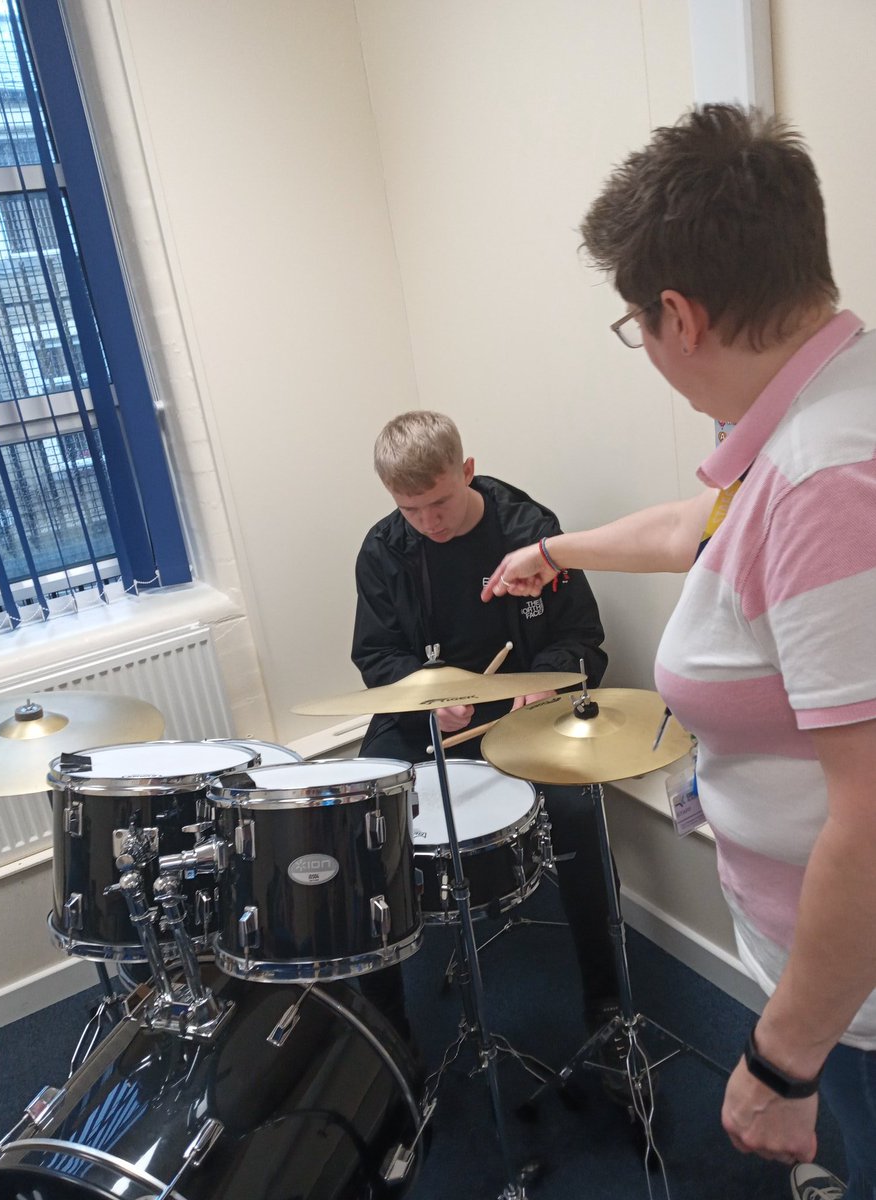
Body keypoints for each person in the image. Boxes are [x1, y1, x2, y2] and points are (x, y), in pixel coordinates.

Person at [482, 104, 876, 1200]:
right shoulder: (817, 416)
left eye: (635, 328)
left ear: (677, 314)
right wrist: (552, 549)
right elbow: (698, 533)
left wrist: (778, 1061)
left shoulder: (828, 481)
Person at [352, 410, 629, 1095]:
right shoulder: (385, 549)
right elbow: (376, 656)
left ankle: (607, 1011)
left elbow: (583, 639)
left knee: (577, 816)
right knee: (361, 822)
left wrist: (543, 685)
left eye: (440, 501)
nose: (429, 522)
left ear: (467, 470)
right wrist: (422, 692)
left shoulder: (530, 532)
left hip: (528, 717)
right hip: (426, 719)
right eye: (410, 508)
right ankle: (385, 1041)